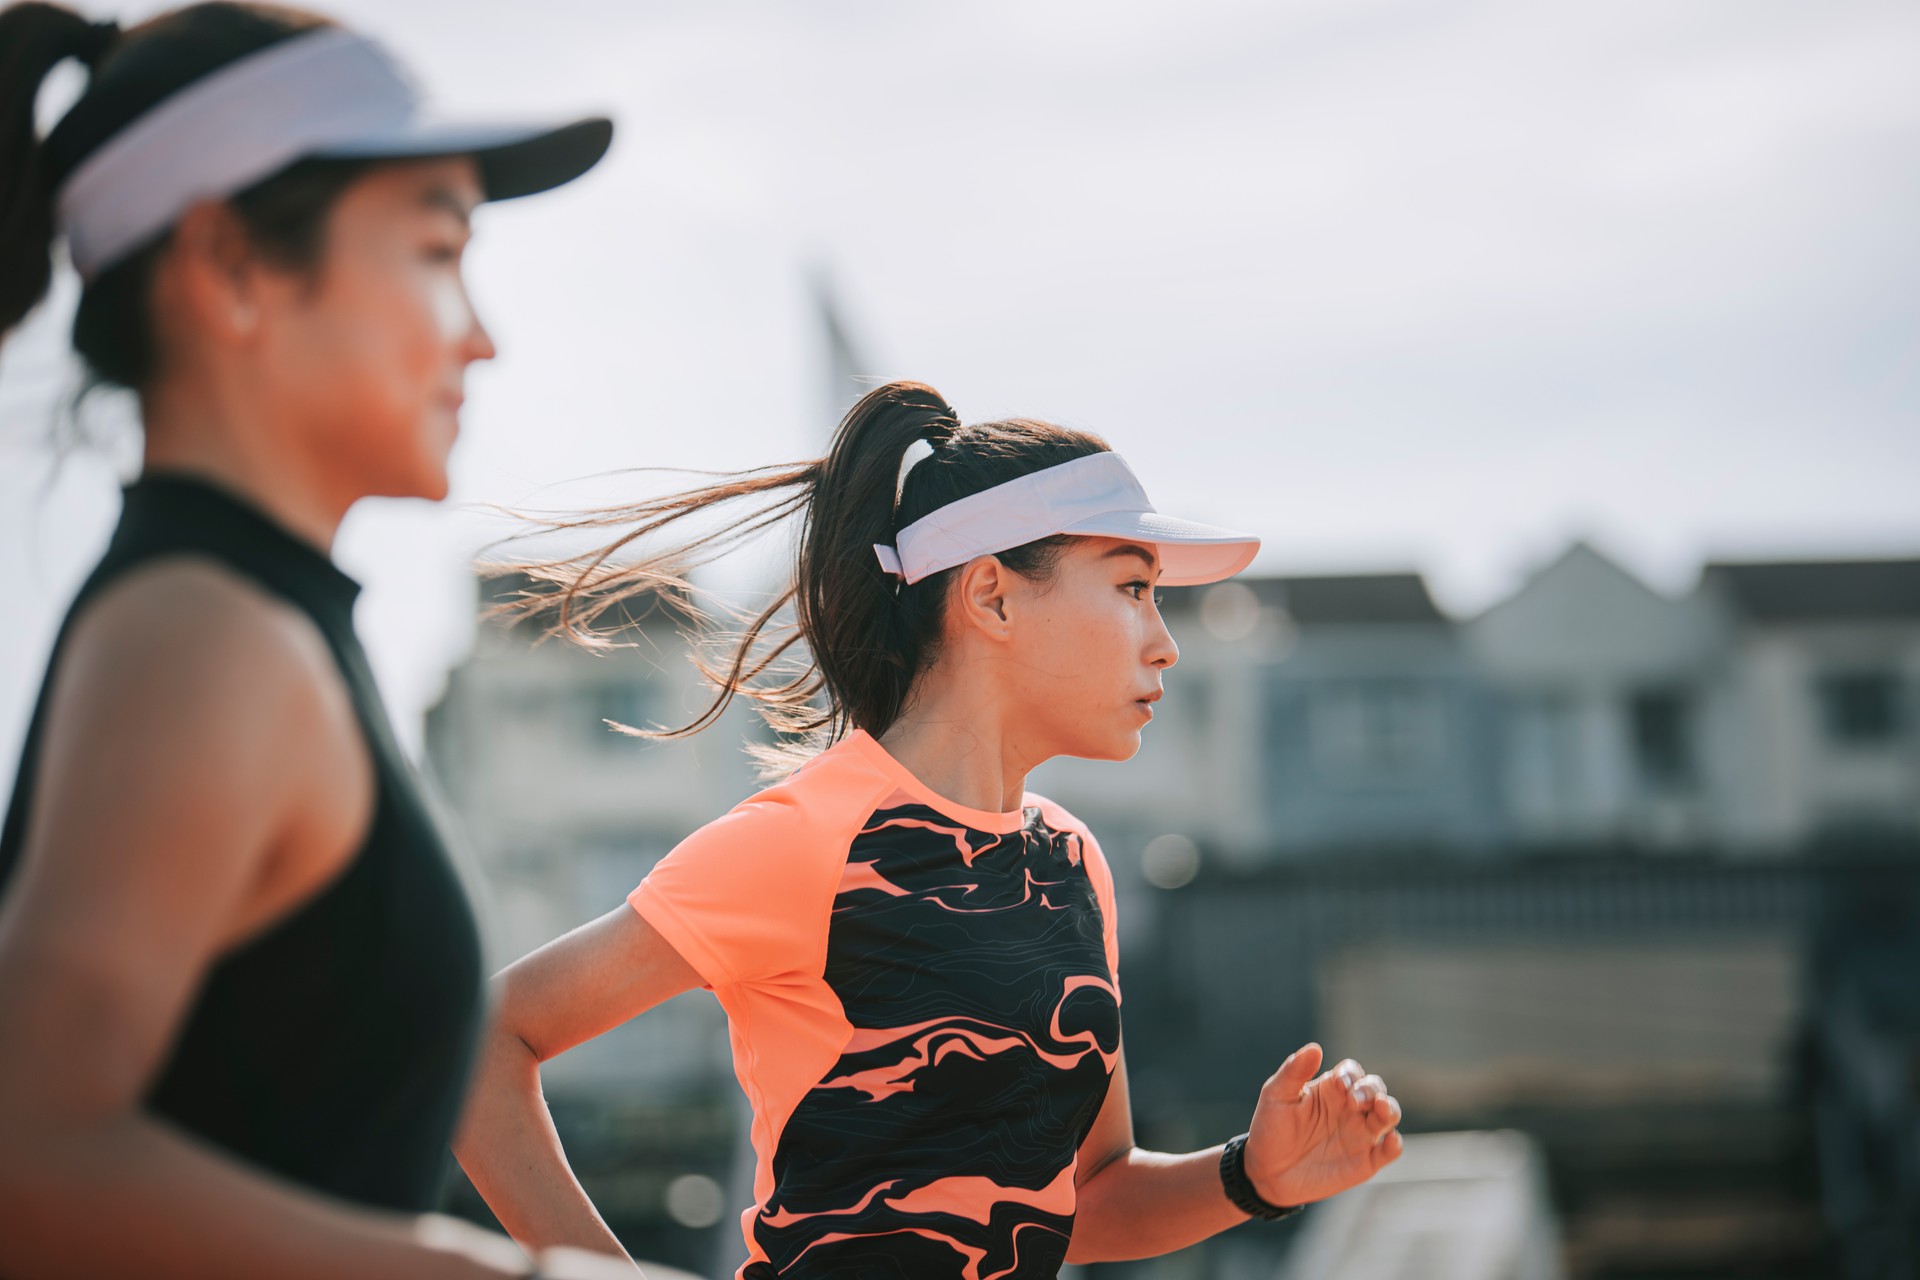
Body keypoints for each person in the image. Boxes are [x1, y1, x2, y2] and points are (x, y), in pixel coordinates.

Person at [457, 380, 1406, 1279]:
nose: (1165, 639)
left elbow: (1087, 1198)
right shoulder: (803, 840)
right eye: (1131, 588)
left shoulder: (1072, 866)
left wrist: (1255, 1176)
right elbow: (486, 1044)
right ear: (991, 594)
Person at [0, 5, 645, 1276]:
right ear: (233, 267)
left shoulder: (245, 621)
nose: (481, 333)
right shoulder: (204, 632)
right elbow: (27, 1155)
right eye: (433, 250)